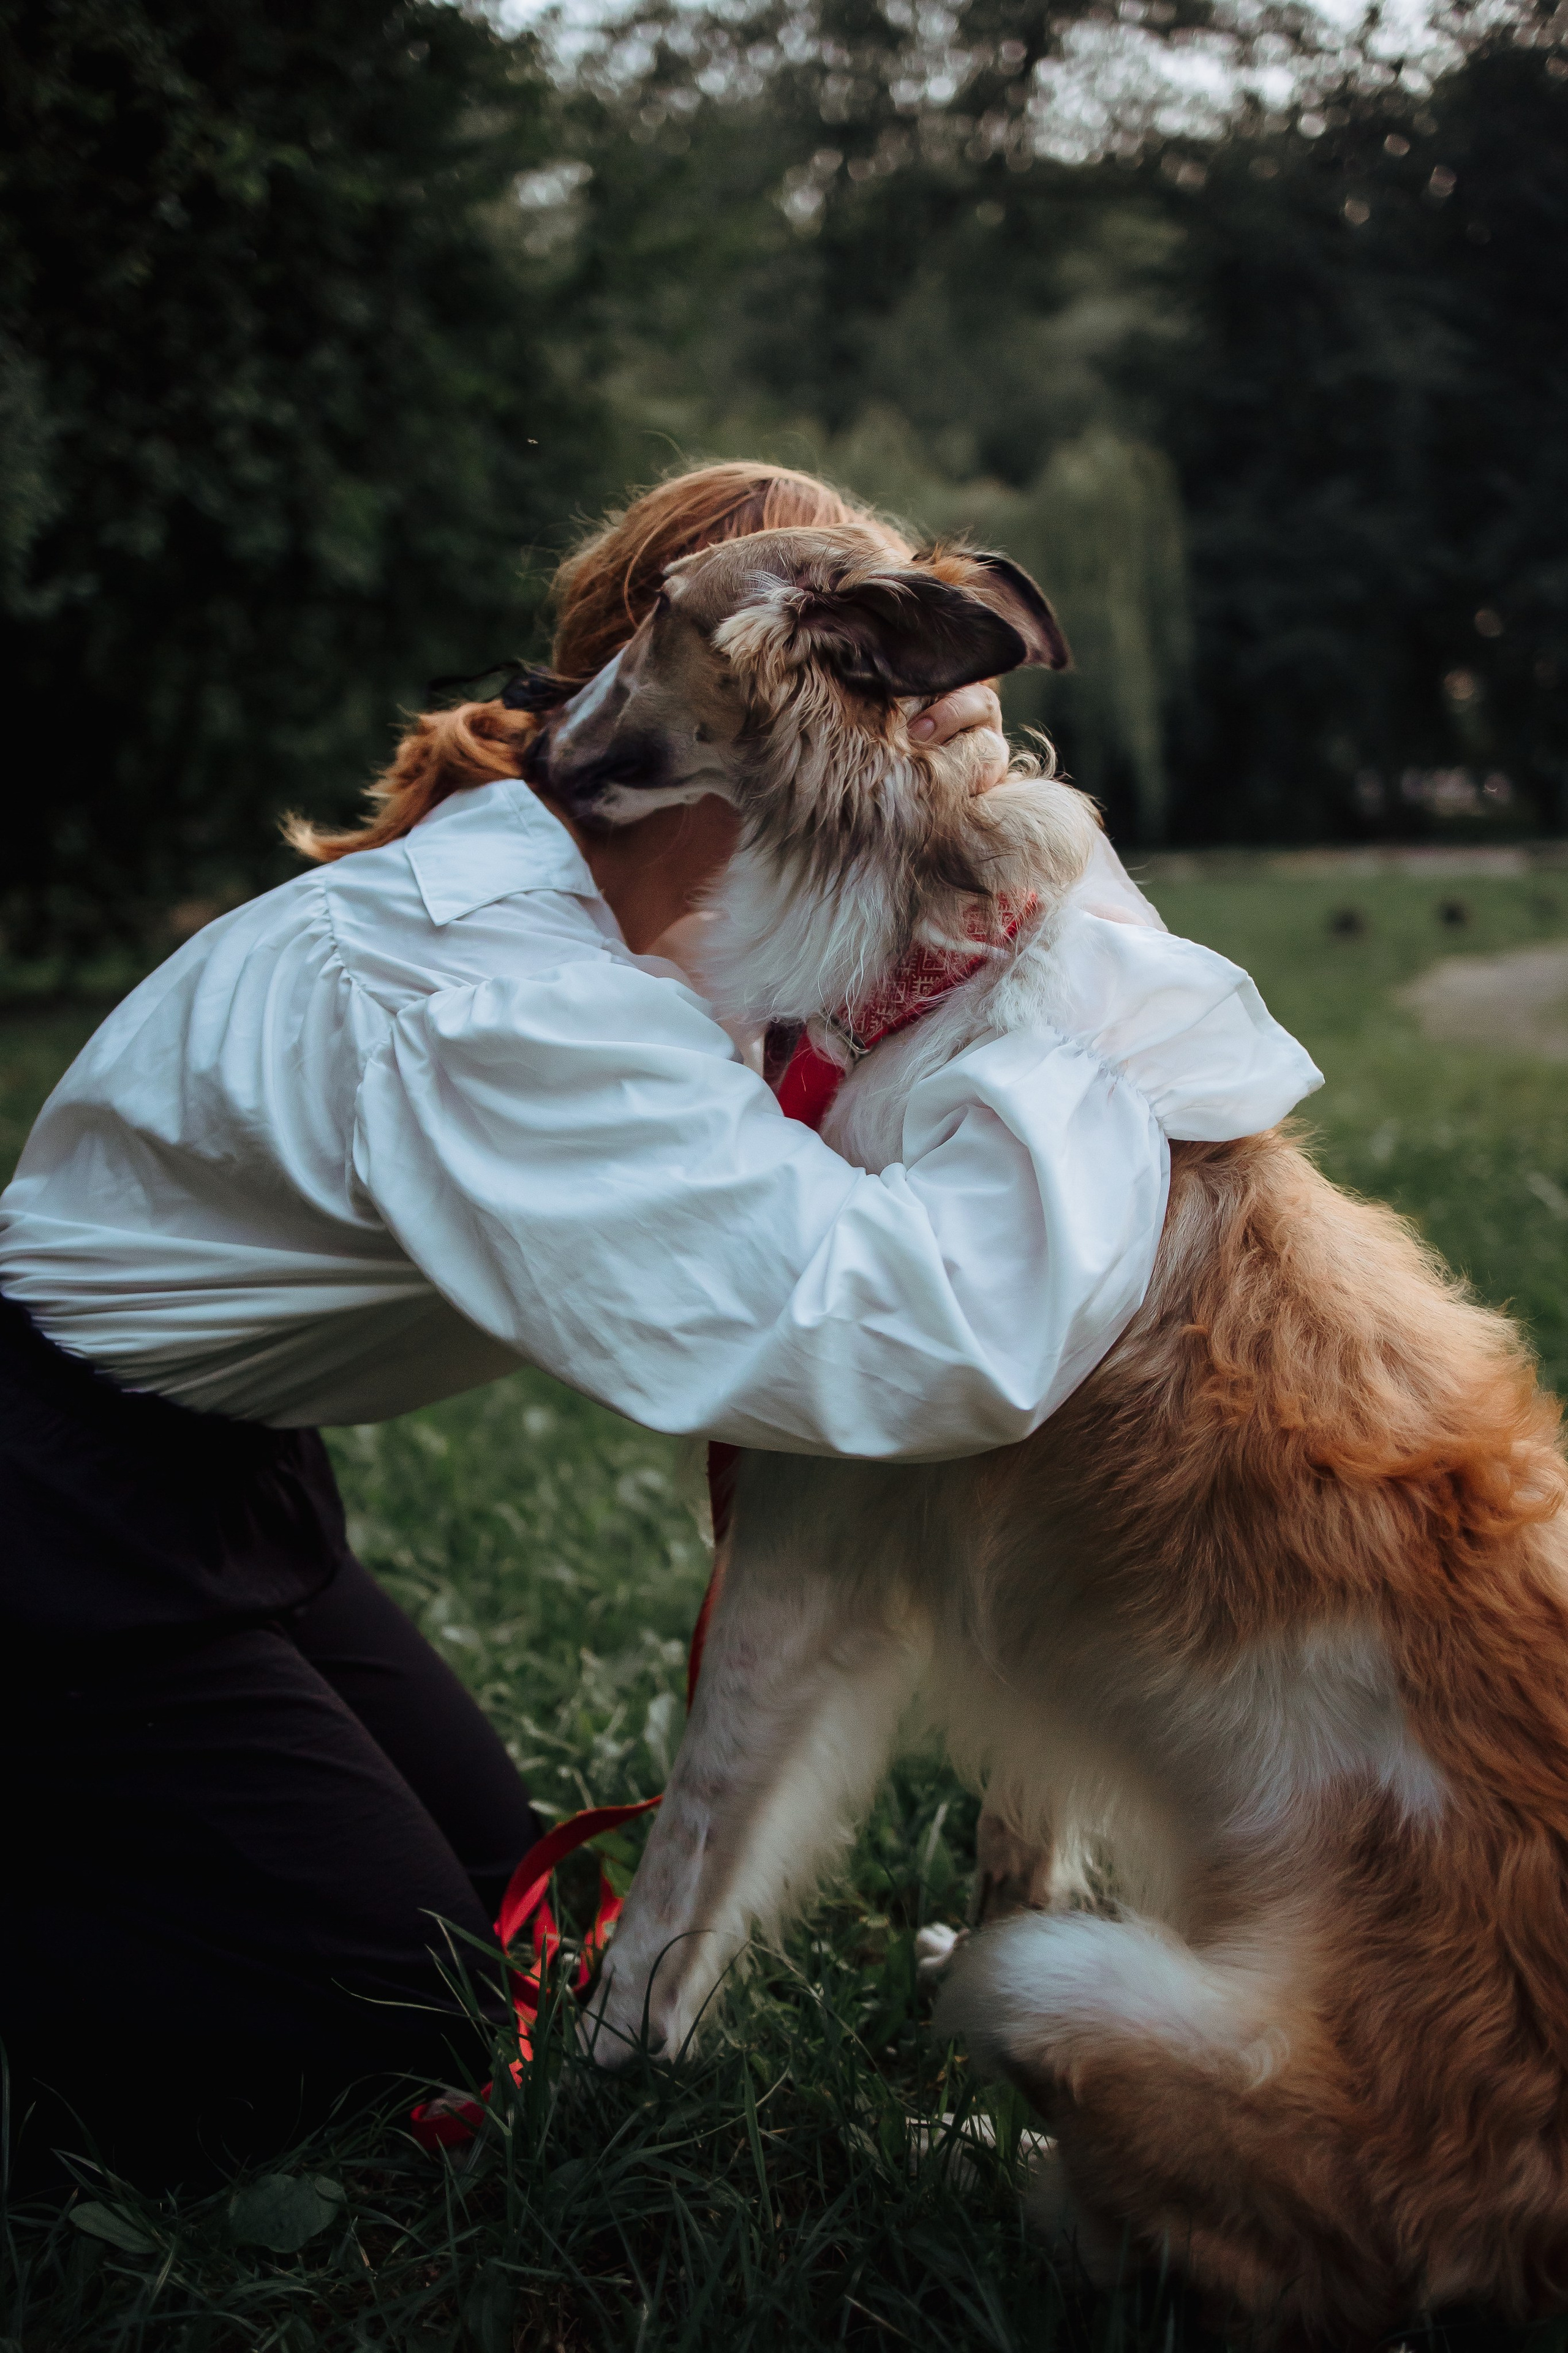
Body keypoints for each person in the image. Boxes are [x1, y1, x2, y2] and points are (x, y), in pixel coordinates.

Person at [0, 461, 1319, 2188]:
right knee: (383, 2033)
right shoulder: (498, 995)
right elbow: (900, 1336)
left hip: (211, 1482)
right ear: (745, 711)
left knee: (498, 1913)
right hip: (53, 1509)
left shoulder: (639, 924)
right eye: (917, 727)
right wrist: (1077, 994)